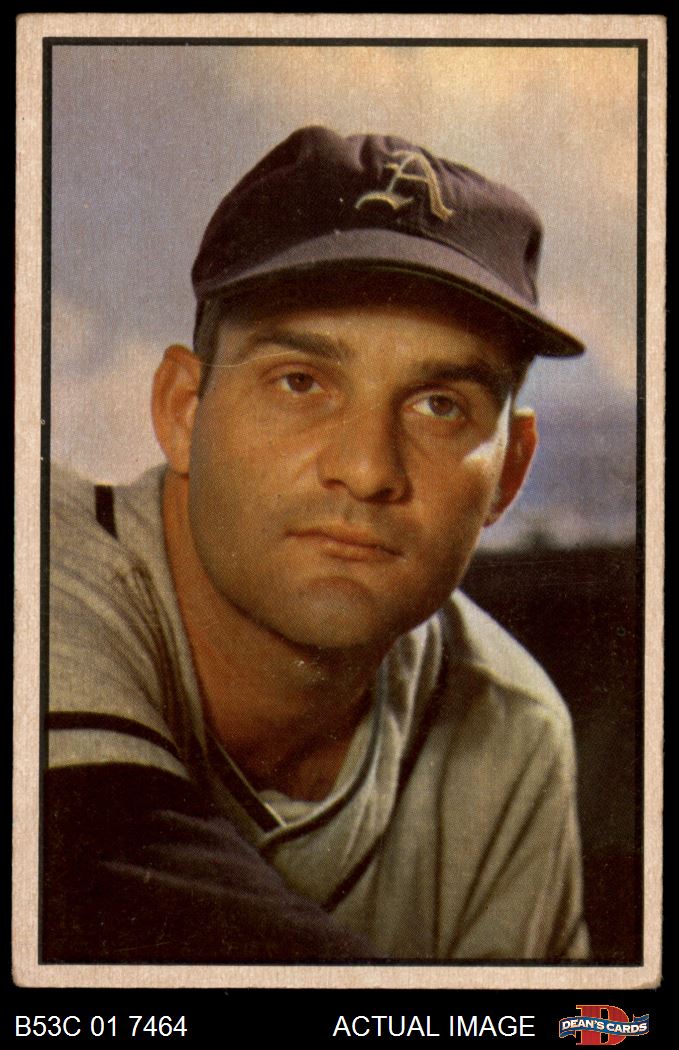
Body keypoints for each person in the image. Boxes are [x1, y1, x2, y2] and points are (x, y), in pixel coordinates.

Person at [44, 126, 589, 963]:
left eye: (439, 405)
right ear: (184, 412)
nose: (367, 470)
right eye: (300, 382)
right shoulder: (41, 568)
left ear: (509, 473)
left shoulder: (510, 731)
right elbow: (108, 886)